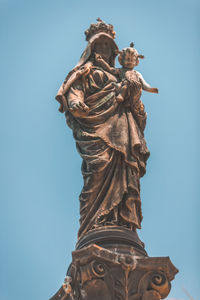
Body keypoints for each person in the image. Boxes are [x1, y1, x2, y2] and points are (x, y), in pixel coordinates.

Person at [56, 19, 150, 239]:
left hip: (124, 131)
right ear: (92, 48)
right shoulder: (84, 72)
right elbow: (74, 92)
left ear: (114, 51)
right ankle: (94, 224)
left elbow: (140, 115)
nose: (104, 49)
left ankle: (122, 222)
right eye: (100, 45)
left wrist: (135, 98)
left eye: (108, 46)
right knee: (98, 169)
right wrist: (75, 102)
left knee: (126, 174)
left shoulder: (123, 76)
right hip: (95, 130)